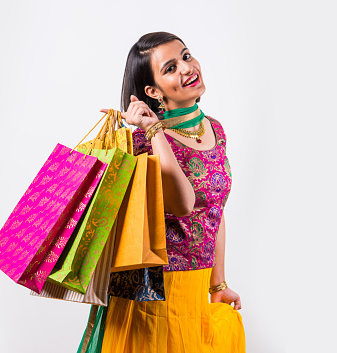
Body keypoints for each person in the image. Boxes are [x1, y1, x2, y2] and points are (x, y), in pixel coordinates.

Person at [98, 32, 246, 353]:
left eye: (187, 56)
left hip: (196, 286)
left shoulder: (215, 130)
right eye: (170, 68)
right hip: (156, 294)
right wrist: (153, 131)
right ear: (153, 91)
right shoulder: (142, 143)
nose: (186, 68)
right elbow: (184, 204)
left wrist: (218, 284)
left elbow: (215, 211)